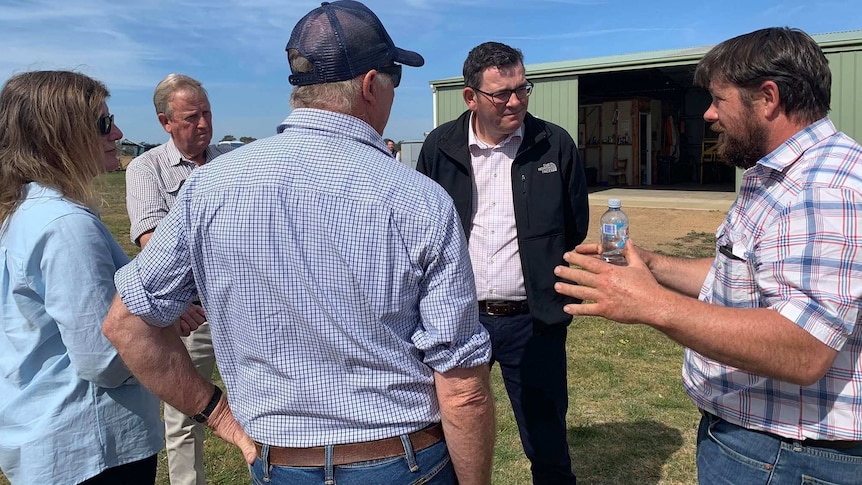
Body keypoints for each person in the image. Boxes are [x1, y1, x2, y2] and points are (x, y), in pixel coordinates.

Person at [102, 2, 495, 485]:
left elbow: (127, 326)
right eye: (395, 78)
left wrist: (221, 417)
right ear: (371, 85)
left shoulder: (210, 188)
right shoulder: (418, 199)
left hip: (282, 464)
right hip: (402, 459)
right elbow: (463, 390)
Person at [554, 27, 862, 484]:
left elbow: (804, 348)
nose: (709, 113)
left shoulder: (823, 189)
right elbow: (737, 277)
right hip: (761, 446)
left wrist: (651, 306)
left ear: (768, 97)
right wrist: (654, 264)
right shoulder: (781, 176)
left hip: (789, 459)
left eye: (719, 99)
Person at [417, 41, 589, 484]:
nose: (515, 101)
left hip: (532, 322)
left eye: (522, 88)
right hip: (458, 321)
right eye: (501, 93)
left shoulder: (553, 144)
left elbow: (574, 226)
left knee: (547, 441)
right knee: (446, 436)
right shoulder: (440, 147)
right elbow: (419, 227)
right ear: (470, 96)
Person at [0, 71, 163, 484]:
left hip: (45, 435)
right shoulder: (65, 225)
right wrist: (162, 330)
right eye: (104, 123)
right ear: (61, 135)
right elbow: (104, 359)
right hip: (91, 445)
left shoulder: (23, 210)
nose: (118, 133)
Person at [124, 73, 226, 485]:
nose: (203, 124)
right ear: (165, 122)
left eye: (206, 113)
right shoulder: (147, 169)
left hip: (241, 305)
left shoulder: (228, 163)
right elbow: (152, 242)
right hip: (193, 314)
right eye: (190, 117)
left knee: (266, 396)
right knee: (187, 414)